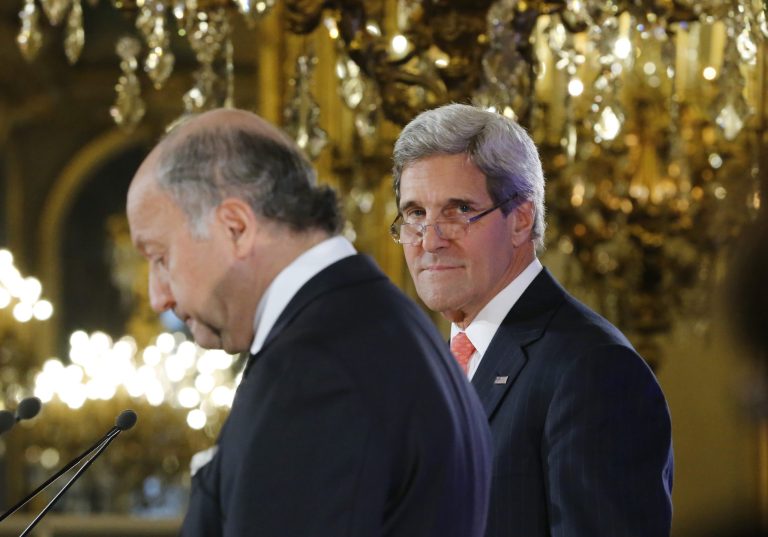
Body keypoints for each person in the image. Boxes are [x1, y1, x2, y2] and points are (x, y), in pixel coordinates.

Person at [126, 108, 493, 537]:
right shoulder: (376, 322)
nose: (158, 297)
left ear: (236, 227)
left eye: (160, 257)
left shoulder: (316, 370)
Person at [391, 103, 674, 537]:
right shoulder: (431, 364)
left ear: (521, 219)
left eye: (459, 210)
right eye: (415, 214)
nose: (430, 240)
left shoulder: (593, 369)